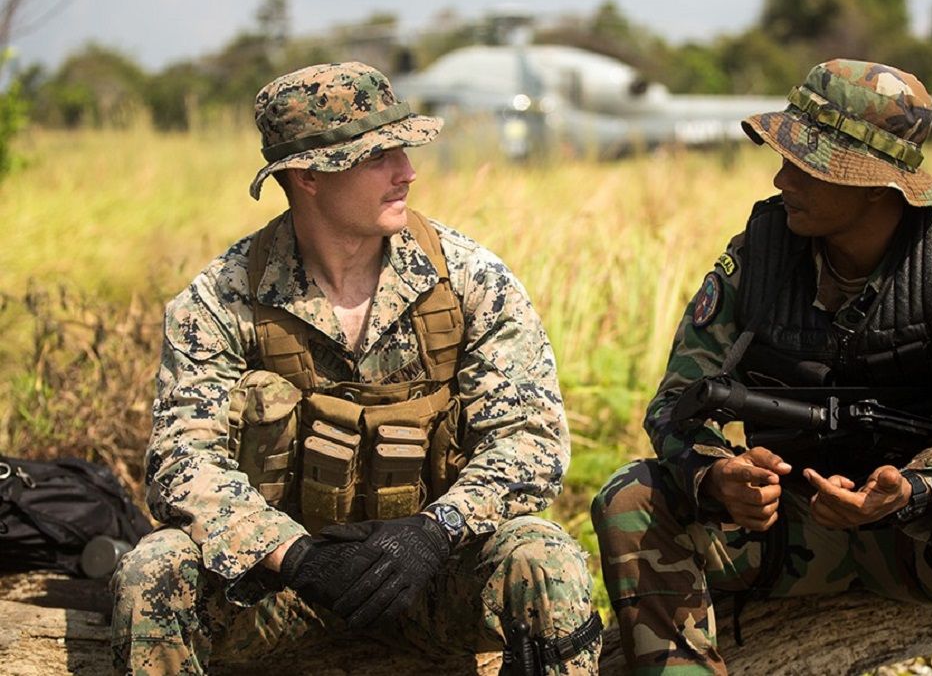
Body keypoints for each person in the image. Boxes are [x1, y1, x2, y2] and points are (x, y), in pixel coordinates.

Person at [111, 62, 601, 676]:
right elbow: (182, 463)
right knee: (153, 570)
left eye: (404, 149)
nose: (407, 172)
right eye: (378, 156)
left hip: (432, 584)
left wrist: (434, 531)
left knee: (545, 559)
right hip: (278, 594)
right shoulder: (224, 297)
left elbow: (531, 441)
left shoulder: (469, 280)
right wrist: (295, 558)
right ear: (308, 175)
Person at [591, 60, 932, 675]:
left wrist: (915, 488)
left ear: (875, 185)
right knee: (633, 494)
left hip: (923, 533)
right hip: (785, 527)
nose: (781, 177)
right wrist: (718, 476)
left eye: (807, 165)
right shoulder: (759, 254)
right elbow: (678, 400)